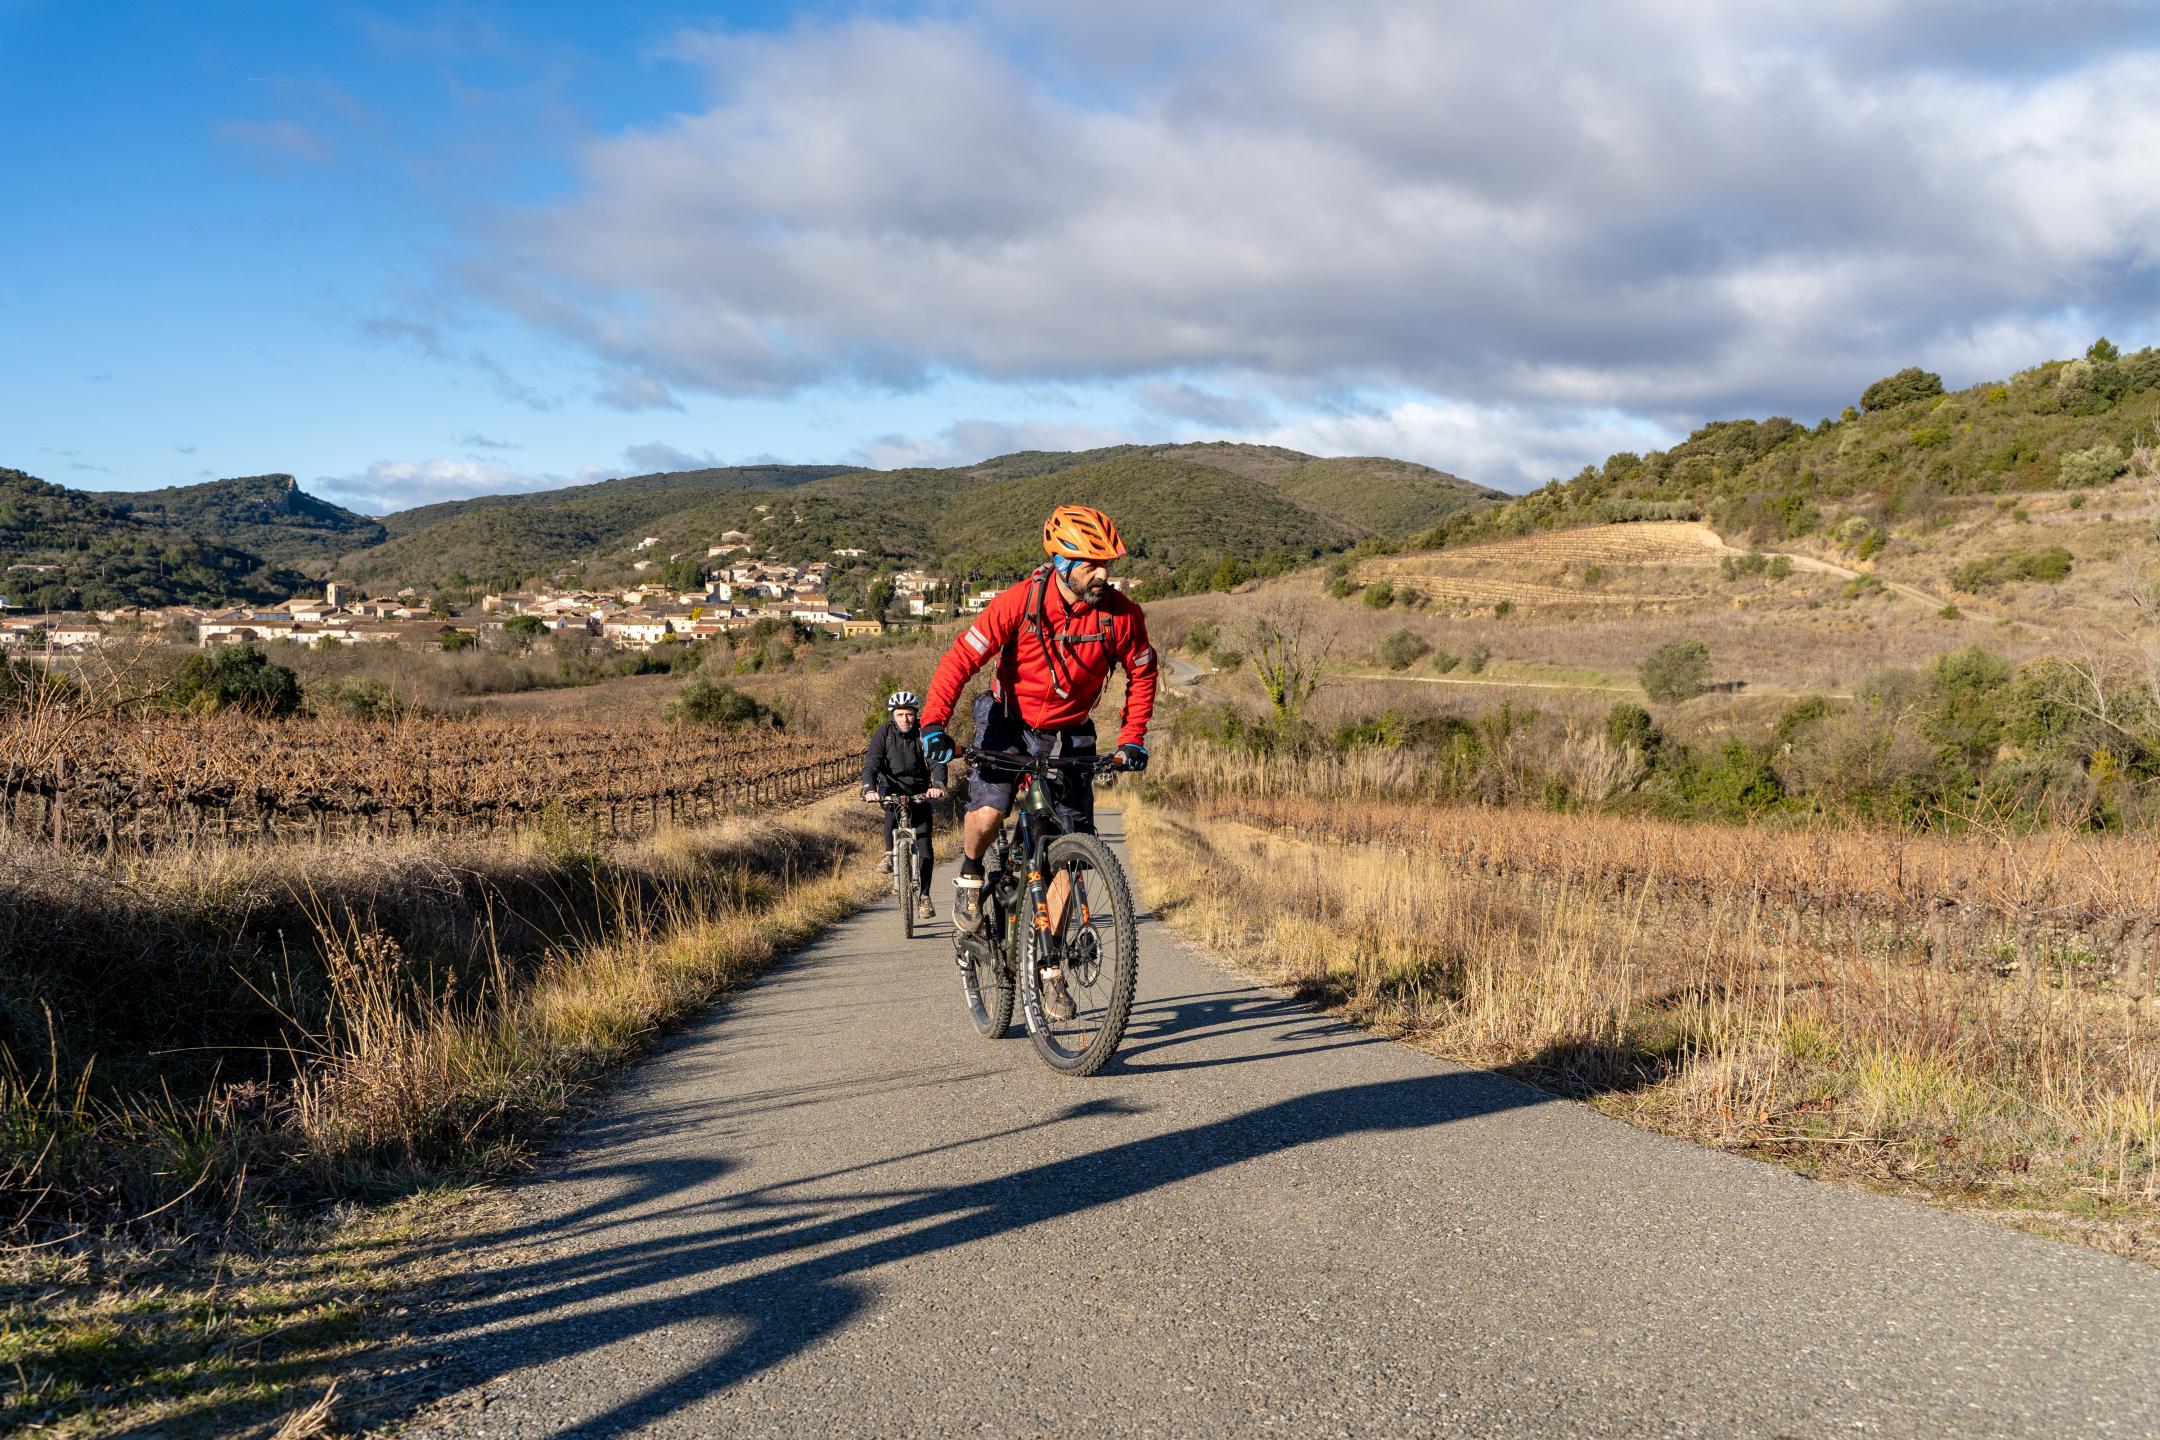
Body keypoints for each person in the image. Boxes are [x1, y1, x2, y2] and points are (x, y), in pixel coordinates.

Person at [917, 504, 1157, 1001]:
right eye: (1091, 563)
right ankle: (970, 873)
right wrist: (934, 723)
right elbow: (962, 658)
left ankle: (1048, 971)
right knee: (988, 814)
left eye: (1107, 562)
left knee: (1069, 854)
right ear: (1062, 563)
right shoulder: (1019, 603)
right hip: (1009, 720)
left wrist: (1132, 737)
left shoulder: (1122, 617)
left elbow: (1143, 673)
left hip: (1070, 731)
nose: (1103, 573)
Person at [861, 690, 946, 920]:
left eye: (908, 714)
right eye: (900, 715)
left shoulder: (923, 734)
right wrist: (868, 788)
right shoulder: (884, 734)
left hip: (920, 793)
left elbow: (936, 761)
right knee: (891, 812)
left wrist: (937, 784)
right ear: (893, 715)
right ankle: (889, 854)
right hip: (891, 790)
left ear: (915, 714)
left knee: (925, 847)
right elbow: (872, 763)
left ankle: (925, 897)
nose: (905, 720)